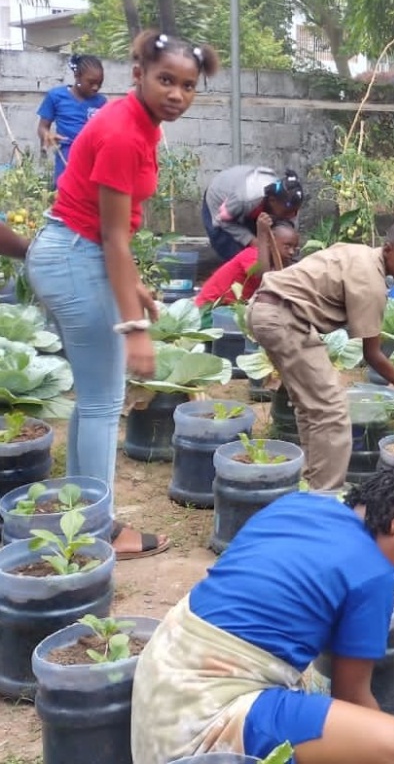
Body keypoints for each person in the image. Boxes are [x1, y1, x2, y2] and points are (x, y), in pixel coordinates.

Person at [25, 30, 219, 560]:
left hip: (73, 252)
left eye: (187, 85)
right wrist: (134, 328)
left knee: (93, 399)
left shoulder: (141, 124)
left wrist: (133, 285)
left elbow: (111, 229)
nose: (177, 94)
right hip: (75, 257)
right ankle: (98, 530)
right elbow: (110, 237)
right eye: (165, 81)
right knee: (105, 400)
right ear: (137, 75)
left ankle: (81, 515)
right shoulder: (123, 133)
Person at [130, 464, 394, 764]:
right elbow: (351, 695)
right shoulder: (373, 571)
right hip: (198, 726)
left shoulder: (297, 505)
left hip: (160, 678)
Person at [248, 220, 394, 491]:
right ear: (388, 250)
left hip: (270, 310)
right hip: (282, 318)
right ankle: (326, 495)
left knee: (312, 405)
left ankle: (315, 483)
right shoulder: (371, 283)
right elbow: (372, 354)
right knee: (333, 410)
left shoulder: (360, 253)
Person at [203, 165, 305, 262]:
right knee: (239, 255)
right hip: (221, 205)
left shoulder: (289, 200)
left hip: (244, 195)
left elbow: (286, 231)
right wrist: (251, 240)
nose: (293, 216)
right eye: (287, 212)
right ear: (272, 200)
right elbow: (223, 221)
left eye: (296, 211)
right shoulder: (246, 199)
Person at [36, 53, 107, 188]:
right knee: (65, 192)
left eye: (99, 83)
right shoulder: (56, 96)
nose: (95, 87)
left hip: (92, 157)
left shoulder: (101, 102)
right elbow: (42, 127)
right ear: (77, 77)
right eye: (91, 82)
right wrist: (47, 135)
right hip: (66, 155)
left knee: (90, 195)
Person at [195, 219, 299, 308]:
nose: (291, 252)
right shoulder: (251, 254)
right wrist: (262, 236)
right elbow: (264, 276)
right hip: (210, 307)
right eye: (287, 246)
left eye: (294, 248)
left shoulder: (276, 263)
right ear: (269, 242)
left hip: (232, 307)